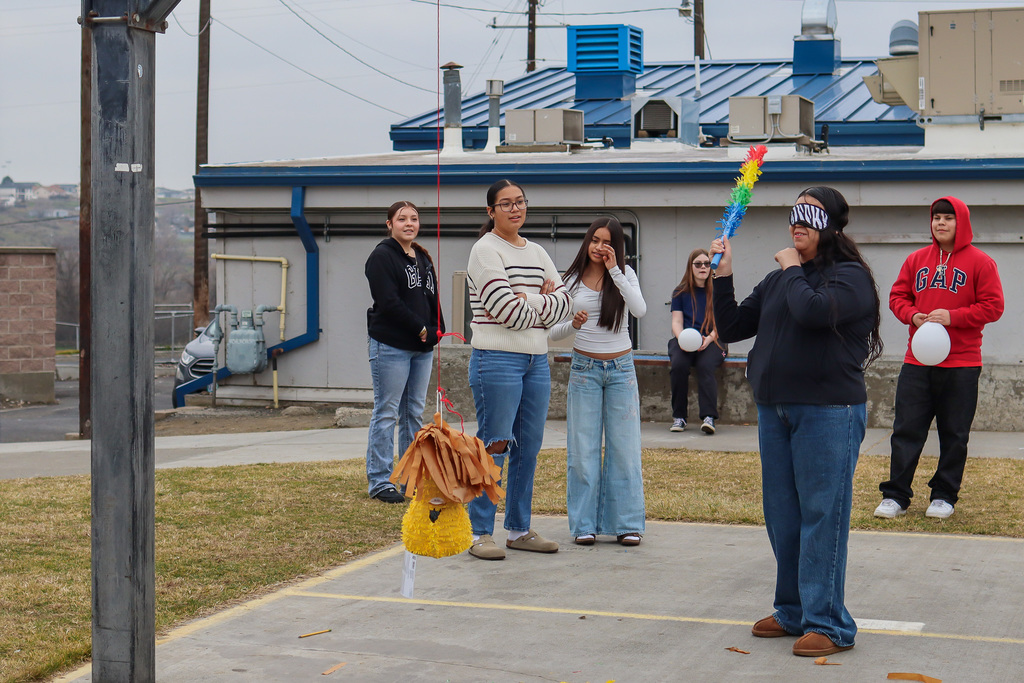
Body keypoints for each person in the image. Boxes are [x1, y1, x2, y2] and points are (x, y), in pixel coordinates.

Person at [710, 186, 883, 658]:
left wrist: (790, 268)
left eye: (811, 213)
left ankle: (829, 624)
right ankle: (792, 611)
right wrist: (723, 277)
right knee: (783, 515)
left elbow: (811, 312)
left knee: (822, 516)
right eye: (795, 213)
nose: (798, 222)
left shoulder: (849, 278)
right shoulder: (778, 279)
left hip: (828, 411)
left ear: (832, 224)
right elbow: (731, 327)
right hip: (776, 408)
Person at [874, 197, 1004, 521]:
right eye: (936, 218)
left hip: (962, 363)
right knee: (906, 429)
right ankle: (896, 495)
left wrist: (954, 316)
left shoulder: (981, 263)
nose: (941, 223)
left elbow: (993, 306)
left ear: (962, 222)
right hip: (917, 363)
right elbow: (897, 297)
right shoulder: (917, 259)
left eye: (948, 218)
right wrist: (913, 315)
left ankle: (944, 496)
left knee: (955, 433)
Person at [464, 179, 572, 560]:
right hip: (496, 358)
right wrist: (541, 299)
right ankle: (479, 532)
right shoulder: (484, 251)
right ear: (491, 211)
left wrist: (530, 299)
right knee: (494, 444)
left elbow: (566, 304)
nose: (515, 209)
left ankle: (519, 529)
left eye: (521, 202)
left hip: (535, 360)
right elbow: (506, 312)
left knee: (528, 447)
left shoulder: (539, 251)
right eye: (506, 204)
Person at [549, 218, 647, 546]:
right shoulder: (571, 280)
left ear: (616, 247)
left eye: (606, 242)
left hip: (621, 370)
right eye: (594, 240)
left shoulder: (626, 275)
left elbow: (640, 309)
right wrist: (573, 324)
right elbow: (553, 331)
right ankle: (584, 525)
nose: (598, 247)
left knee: (625, 449)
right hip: (584, 371)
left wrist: (615, 271)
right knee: (583, 449)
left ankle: (627, 524)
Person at [363, 201, 444, 503]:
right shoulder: (382, 257)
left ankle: (411, 479)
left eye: (413, 218)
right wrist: (420, 329)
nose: (409, 223)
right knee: (386, 412)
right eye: (401, 219)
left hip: (421, 348)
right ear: (389, 224)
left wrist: (437, 329)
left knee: (413, 413)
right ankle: (380, 482)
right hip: (391, 345)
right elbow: (388, 302)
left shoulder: (422, 256)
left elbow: (432, 298)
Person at [668, 248, 726, 435]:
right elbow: (676, 322)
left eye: (707, 264)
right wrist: (683, 339)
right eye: (698, 264)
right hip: (685, 339)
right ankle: (679, 417)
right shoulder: (680, 292)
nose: (703, 267)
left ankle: (709, 418)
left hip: (712, 340)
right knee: (678, 365)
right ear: (690, 267)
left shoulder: (718, 290)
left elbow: (721, 324)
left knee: (705, 366)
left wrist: (708, 339)